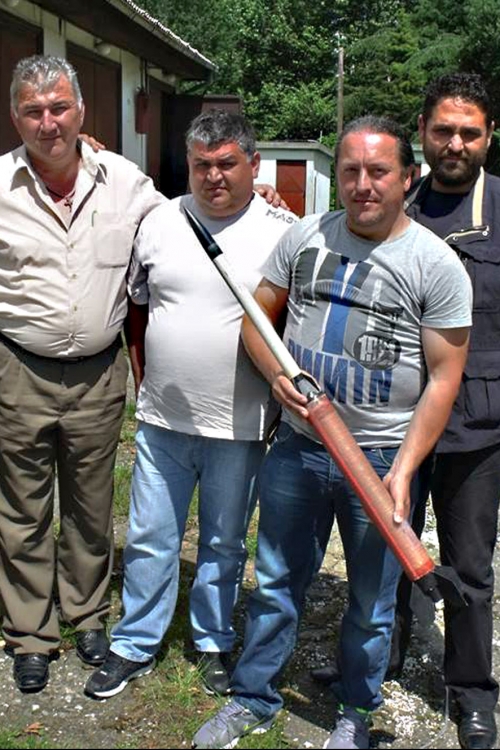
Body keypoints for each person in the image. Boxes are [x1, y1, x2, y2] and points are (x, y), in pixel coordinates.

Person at [192, 115, 472, 750]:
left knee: (372, 603)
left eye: (378, 171)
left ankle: (354, 713)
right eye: (351, 170)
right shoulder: (304, 236)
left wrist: (404, 470)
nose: (362, 184)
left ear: (408, 177)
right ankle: (253, 697)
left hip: (380, 458)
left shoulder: (436, 264)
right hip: (299, 446)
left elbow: (443, 380)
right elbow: (256, 320)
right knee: (275, 582)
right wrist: (275, 375)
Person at [83, 109, 297, 701]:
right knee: (150, 534)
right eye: (202, 165)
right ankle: (135, 642)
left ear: (254, 164)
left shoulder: (283, 231)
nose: (213, 176)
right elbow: (138, 307)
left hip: (241, 423)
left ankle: (211, 640)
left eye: (227, 163)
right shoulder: (160, 222)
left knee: (224, 542)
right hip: (163, 420)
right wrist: (143, 379)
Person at [0, 54, 165, 693]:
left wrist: (256, 203)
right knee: (22, 510)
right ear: (15, 117)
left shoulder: (124, 181)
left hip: (98, 375)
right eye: (33, 111)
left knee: (92, 506)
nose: (49, 123)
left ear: (81, 110)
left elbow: (187, 227)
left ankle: (87, 614)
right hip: (19, 370)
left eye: (59, 107)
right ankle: (30, 632)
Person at [399, 73, 500, 750]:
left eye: (469, 132)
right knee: (388, 551)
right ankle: (373, 662)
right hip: (396, 419)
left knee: (469, 567)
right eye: (443, 130)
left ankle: (472, 694)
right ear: (423, 132)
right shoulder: (392, 203)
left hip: (476, 427)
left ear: (489, 137)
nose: (455, 144)